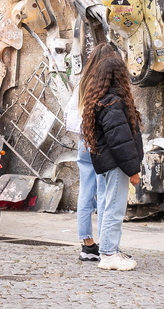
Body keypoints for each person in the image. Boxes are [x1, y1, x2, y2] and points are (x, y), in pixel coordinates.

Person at [81, 56, 144, 271]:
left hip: (108, 163)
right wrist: (133, 169)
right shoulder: (114, 102)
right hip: (116, 164)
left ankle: (110, 250)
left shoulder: (103, 100)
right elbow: (121, 140)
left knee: (109, 207)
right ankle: (108, 254)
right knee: (114, 209)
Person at [64, 43, 117, 261]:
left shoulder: (83, 83)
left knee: (86, 192)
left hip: (83, 141)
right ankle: (106, 245)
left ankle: (87, 244)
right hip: (100, 142)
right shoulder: (106, 85)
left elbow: (69, 115)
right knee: (105, 193)